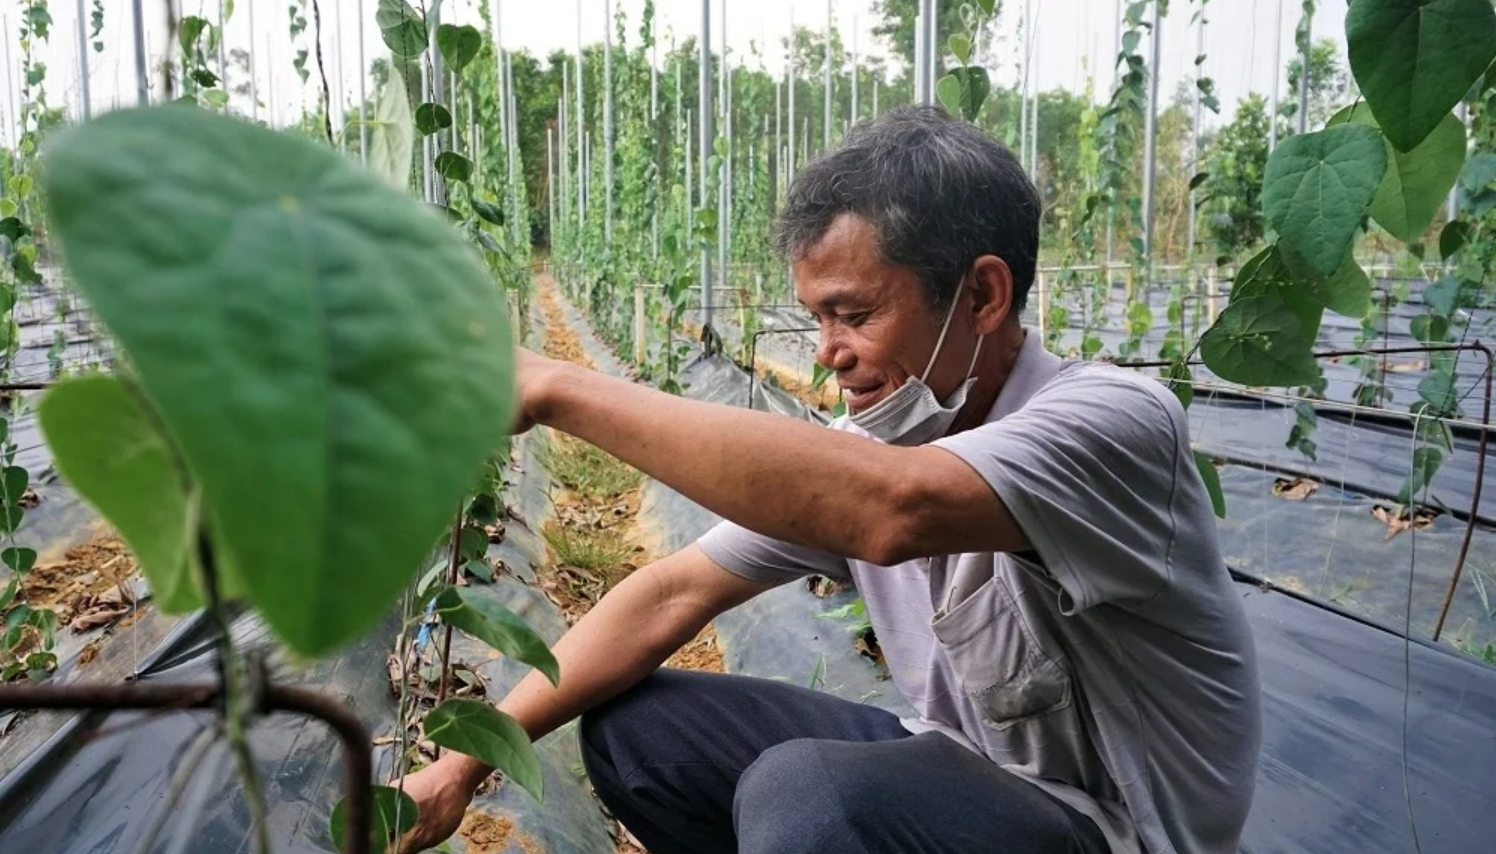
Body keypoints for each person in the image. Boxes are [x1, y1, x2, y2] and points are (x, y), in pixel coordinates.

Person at [398, 105, 1260, 854]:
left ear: (983, 296)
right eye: (816, 318)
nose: (828, 354)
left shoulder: (1113, 423)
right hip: (961, 773)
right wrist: (464, 765)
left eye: (856, 314)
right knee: (638, 734)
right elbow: (671, 594)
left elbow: (896, 508)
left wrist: (558, 386)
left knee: (809, 794)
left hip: (1108, 834)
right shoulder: (877, 448)